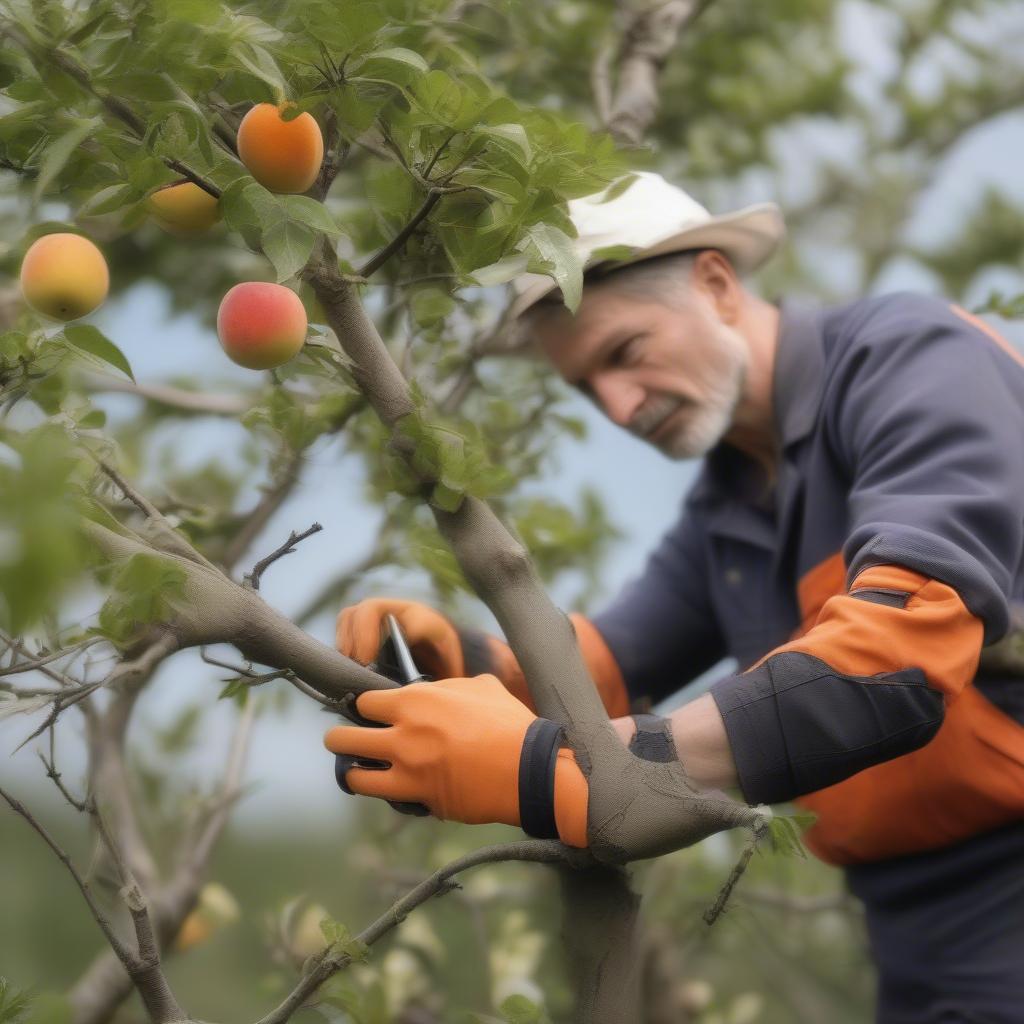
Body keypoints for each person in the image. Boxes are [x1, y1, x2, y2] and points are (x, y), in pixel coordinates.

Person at [324, 172, 1024, 1022]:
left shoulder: (912, 360)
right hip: (914, 914)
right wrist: (470, 666)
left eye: (625, 353)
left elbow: (900, 651)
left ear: (717, 285)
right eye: (588, 388)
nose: (618, 406)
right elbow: (612, 663)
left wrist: (565, 777)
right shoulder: (734, 491)